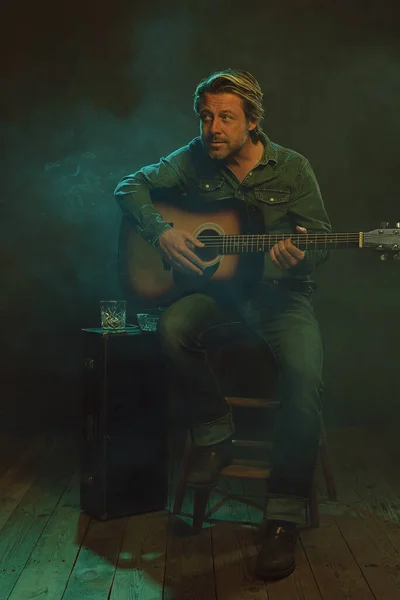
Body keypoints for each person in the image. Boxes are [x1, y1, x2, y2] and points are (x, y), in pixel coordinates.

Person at [114, 69, 331, 580]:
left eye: (225, 117)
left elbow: (319, 240)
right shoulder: (193, 158)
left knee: (305, 379)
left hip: (283, 302)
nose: (213, 127)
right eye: (207, 116)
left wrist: (299, 256)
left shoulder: (293, 168)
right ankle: (215, 433)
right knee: (171, 328)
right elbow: (130, 187)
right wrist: (162, 232)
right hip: (222, 299)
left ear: (252, 122)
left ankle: (282, 520)